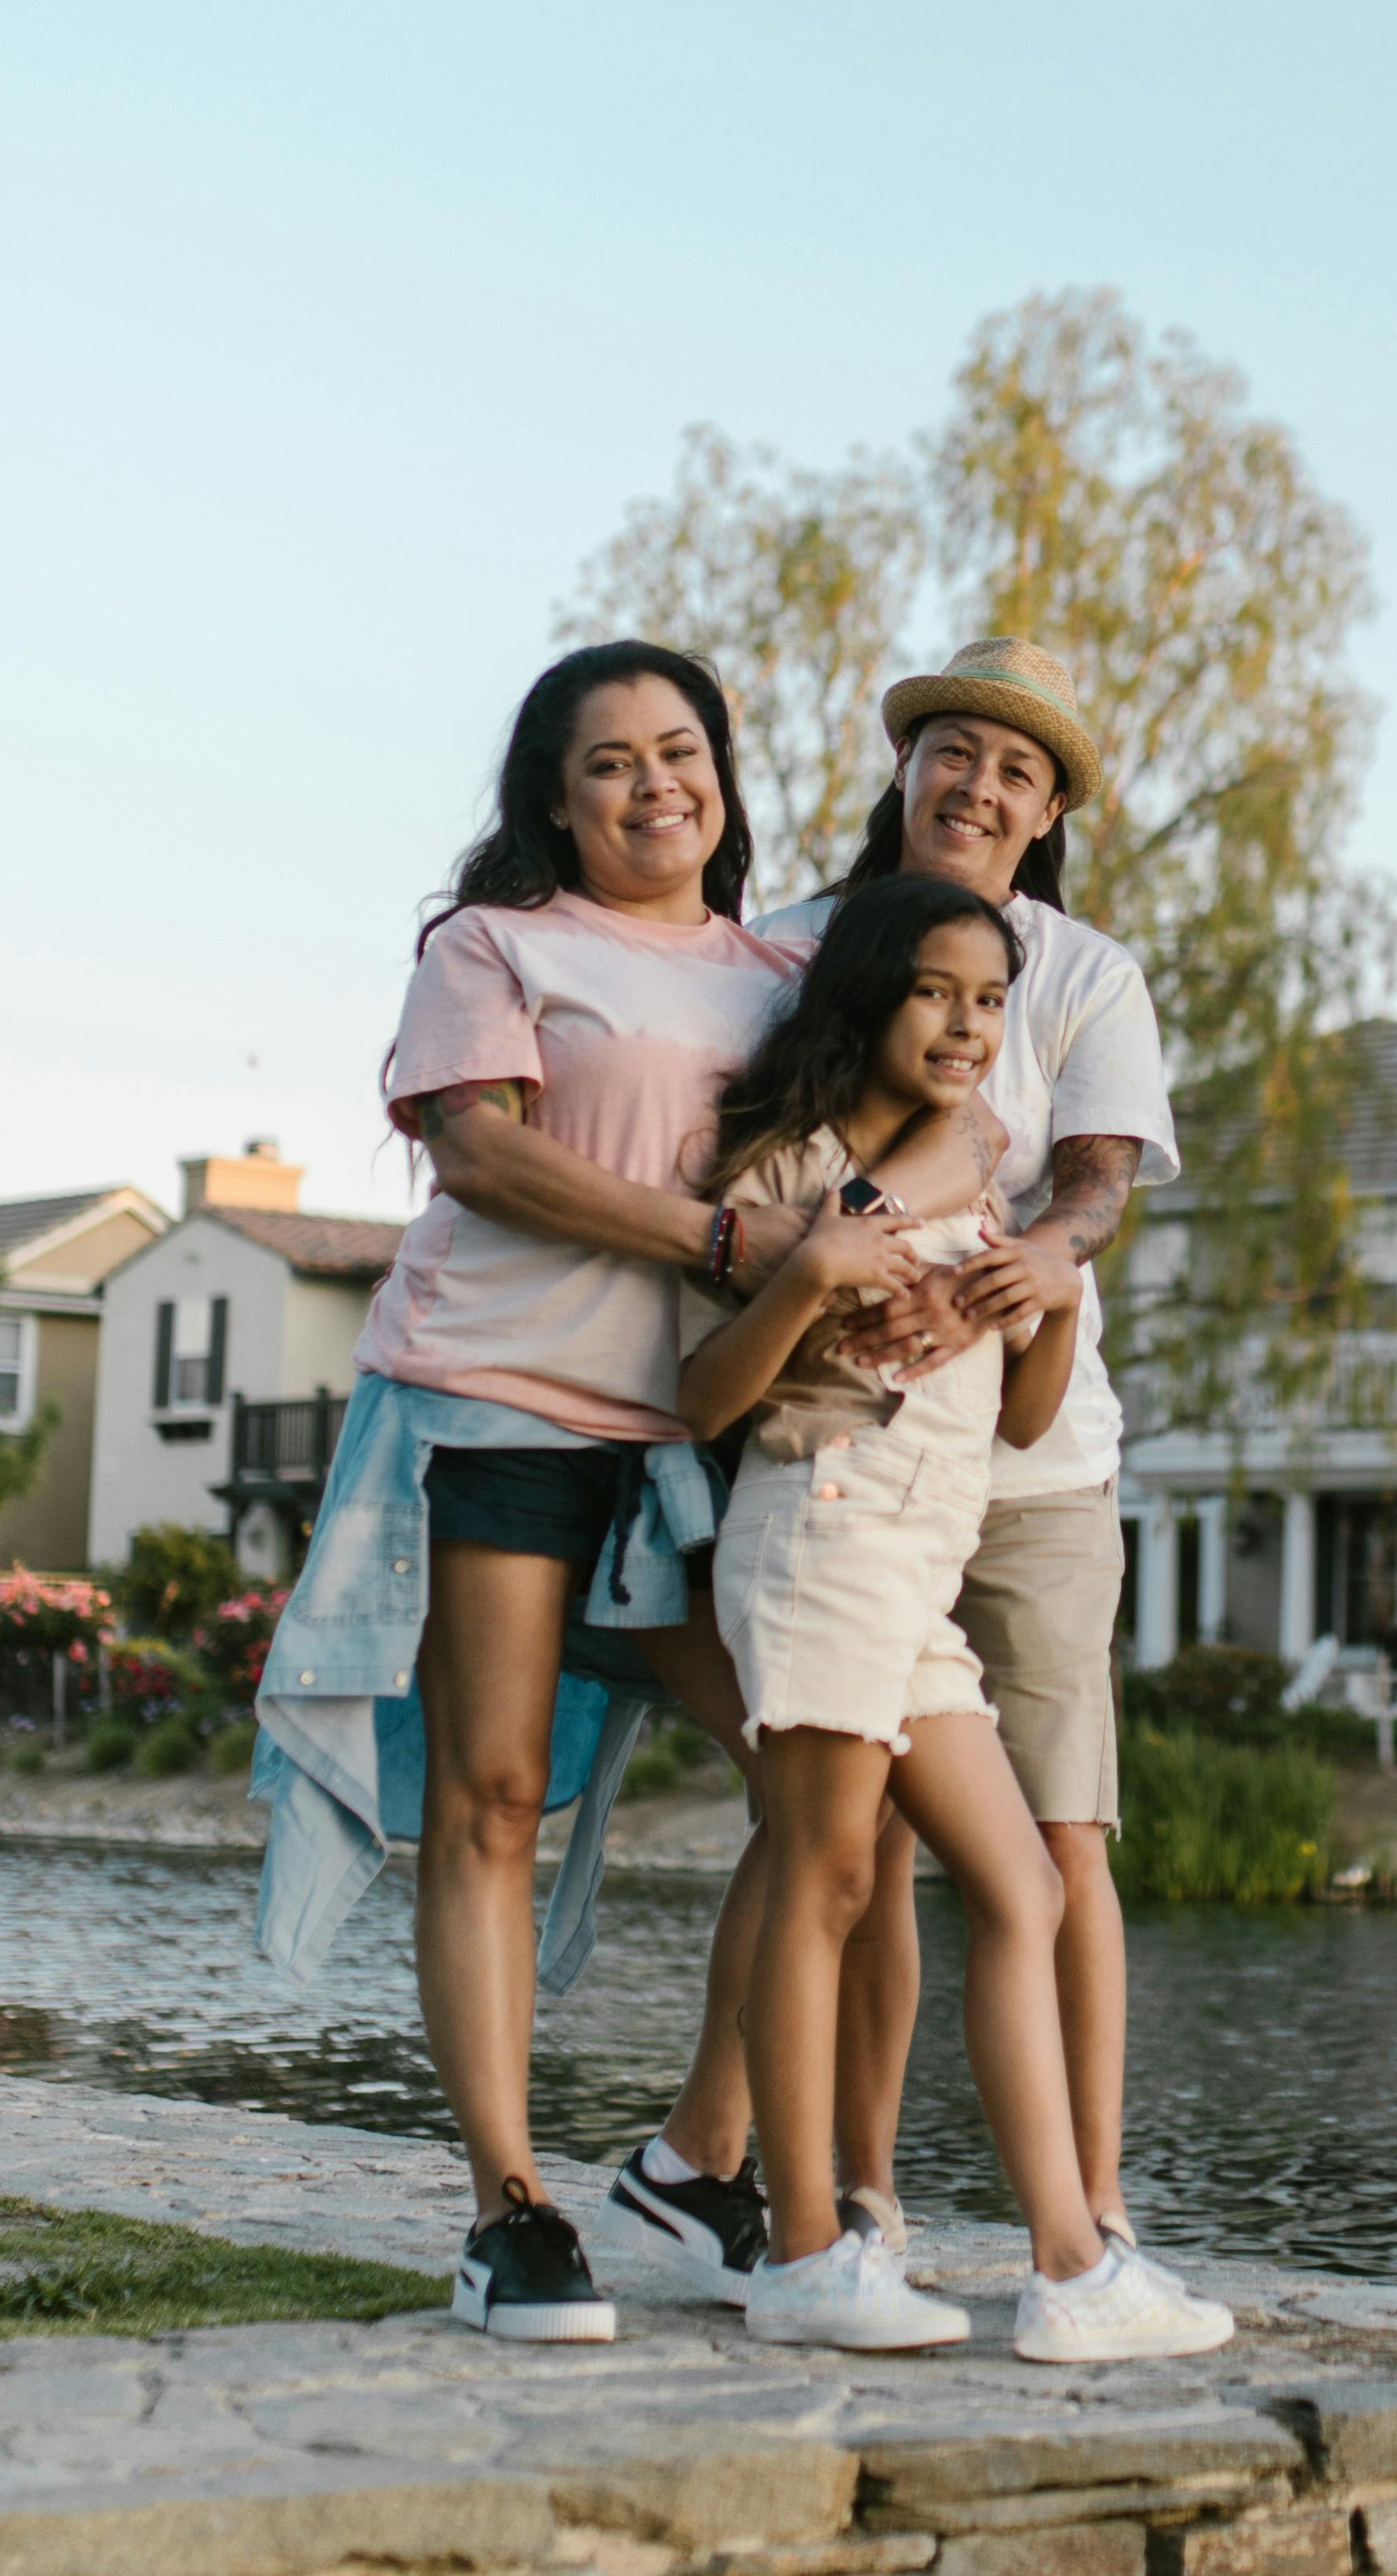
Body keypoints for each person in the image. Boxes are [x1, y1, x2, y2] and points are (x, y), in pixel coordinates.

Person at [611, 633, 1213, 2330]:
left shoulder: (1017, 1119)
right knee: (828, 1867)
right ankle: (816, 2232)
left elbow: (1028, 1404)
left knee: (1023, 1875)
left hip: (946, 1541)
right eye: (956, 750)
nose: (968, 1028)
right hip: (823, 1537)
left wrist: (1042, 1277)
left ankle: (1077, 2258)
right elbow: (709, 1385)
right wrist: (820, 1274)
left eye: (986, 1004)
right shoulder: (805, 1166)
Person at [256, 640, 807, 2346]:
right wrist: (717, 1234)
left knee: (816, 1782)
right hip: (494, 1397)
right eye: (610, 763)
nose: (657, 785)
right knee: (494, 1796)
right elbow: (481, 1150)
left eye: (682, 749)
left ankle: (700, 2151)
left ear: (723, 770)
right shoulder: (493, 945)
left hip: (693, 1434)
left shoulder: (787, 975)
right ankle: (509, 2206)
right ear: (553, 800)